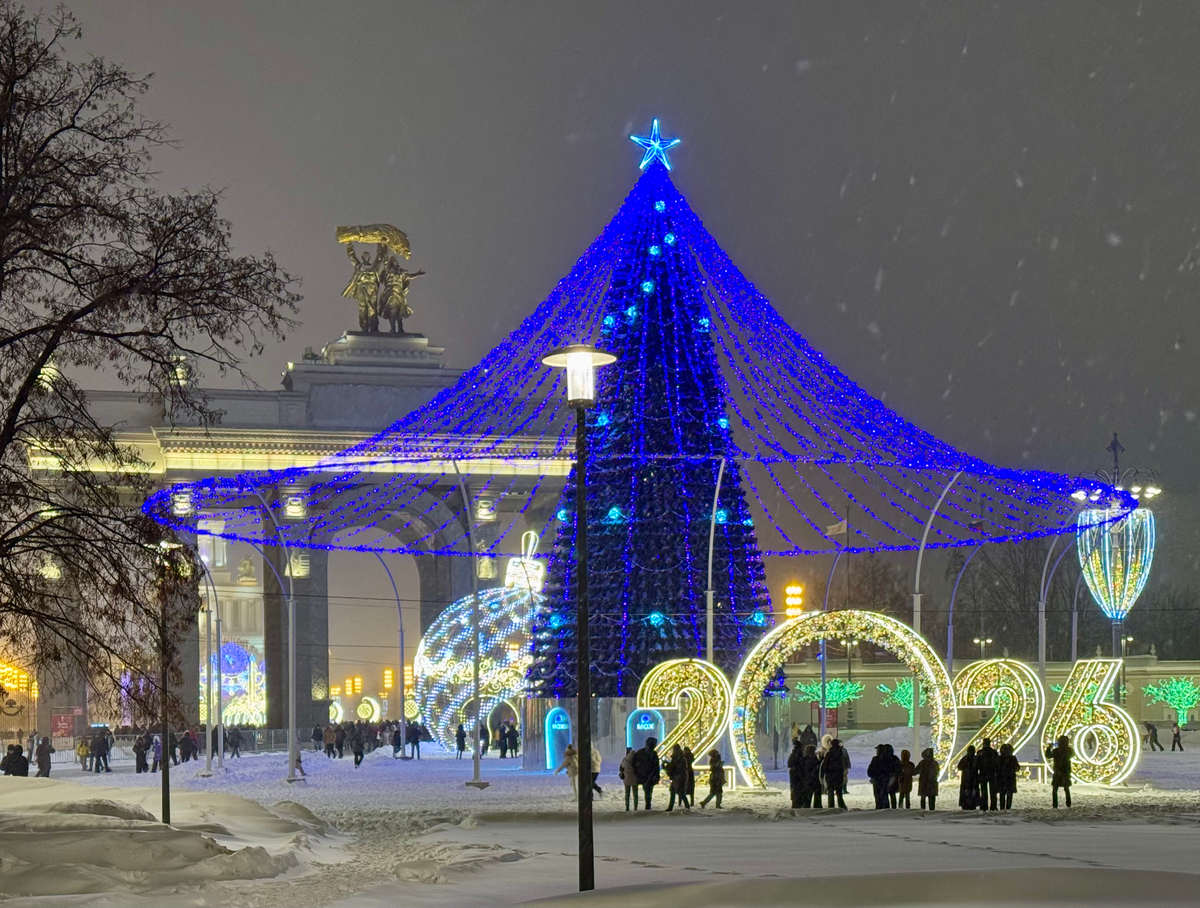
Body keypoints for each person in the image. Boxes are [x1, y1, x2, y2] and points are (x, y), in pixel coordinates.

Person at [632, 737, 661, 810]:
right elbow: (656, 767)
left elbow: (634, 764)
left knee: (646, 792)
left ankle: (639, 806)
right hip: (648, 777)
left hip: (643, 776)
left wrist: (636, 773)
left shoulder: (641, 752)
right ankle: (647, 805)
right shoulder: (653, 754)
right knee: (648, 792)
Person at [1046, 734, 1073, 808]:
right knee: (1065, 788)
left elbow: (1048, 755)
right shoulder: (1068, 751)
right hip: (1064, 772)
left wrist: (1049, 748)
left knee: (1056, 789)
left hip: (1059, 772)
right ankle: (1068, 803)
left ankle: (1055, 804)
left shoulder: (1057, 751)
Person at [820, 739, 848, 809]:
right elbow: (844, 763)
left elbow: (825, 764)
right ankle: (841, 806)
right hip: (839, 775)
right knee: (839, 792)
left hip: (830, 775)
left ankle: (831, 806)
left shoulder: (829, 754)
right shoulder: (841, 753)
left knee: (830, 791)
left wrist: (822, 774)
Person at [976, 738, 1000, 811]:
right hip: (992, 773)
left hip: (983, 773)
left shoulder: (980, 752)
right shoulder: (994, 752)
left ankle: (984, 806)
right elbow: (997, 763)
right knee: (993, 792)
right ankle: (993, 806)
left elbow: (977, 764)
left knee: (984, 792)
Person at [665, 743, 690, 812]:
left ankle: (672, 807)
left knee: (678, 792)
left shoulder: (677, 758)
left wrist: (669, 768)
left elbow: (675, 767)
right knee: (679, 792)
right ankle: (686, 806)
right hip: (680, 776)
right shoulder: (681, 757)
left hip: (678, 777)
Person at [996, 742, 1020, 810]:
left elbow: (997, 767)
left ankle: (1002, 808)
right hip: (1010, 779)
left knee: (1002, 794)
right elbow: (1017, 767)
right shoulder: (1013, 758)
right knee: (1009, 795)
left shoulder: (1000, 758)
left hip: (1002, 779)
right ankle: (1008, 808)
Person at [867, 744, 889, 809]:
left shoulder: (875, 759)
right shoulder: (887, 759)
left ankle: (879, 809)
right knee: (885, 796)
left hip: (877, 781)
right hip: (885, 781)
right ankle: (885, 809)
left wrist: (873, 776)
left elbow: (870, 770)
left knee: (878, 797)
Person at [957, 744, 978, 810]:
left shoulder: (965, 758)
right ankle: (971, 804)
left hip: (966, 779)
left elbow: (959, 767)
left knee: (966, 792)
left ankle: (965, 804)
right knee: (972, 792)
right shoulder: (975, 758)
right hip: (973, 778)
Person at [788, 738, 806, 808]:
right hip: (799, 774)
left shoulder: (793, 754)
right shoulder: (800, 755)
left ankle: (795, 802)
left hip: (794, 774)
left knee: (794, 789)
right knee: (798, 789)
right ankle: (797, 803)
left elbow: (789, 764)